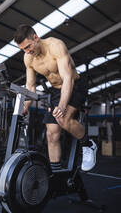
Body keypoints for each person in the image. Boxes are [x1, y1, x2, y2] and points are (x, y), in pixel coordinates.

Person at [14, 24, 97, 172]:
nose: (27, 51)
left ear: (35, 37)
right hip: (56, 90)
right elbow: (31, 86)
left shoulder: (56, 46)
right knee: (51, 133)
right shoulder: (29, 58)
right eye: (23, 49)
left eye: (28, 47)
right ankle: (56, 172)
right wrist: (25, 106)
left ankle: (88, 145)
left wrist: (62, 106)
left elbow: (68, 79)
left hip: (75, 84)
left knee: (63, 119)